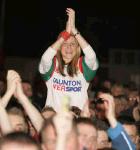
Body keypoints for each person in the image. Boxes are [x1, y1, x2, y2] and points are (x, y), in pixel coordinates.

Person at [39, 8, 99, 112]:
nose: (69, 48)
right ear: (59, 47)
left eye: (72, 44)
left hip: (78, 121)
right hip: (54, 121)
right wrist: (65, 34)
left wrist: (75, 31)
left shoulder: (82, 65)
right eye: (64, 44)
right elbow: (45, 59)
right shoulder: (53, 64)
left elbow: (91, 56)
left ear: (77, 48)